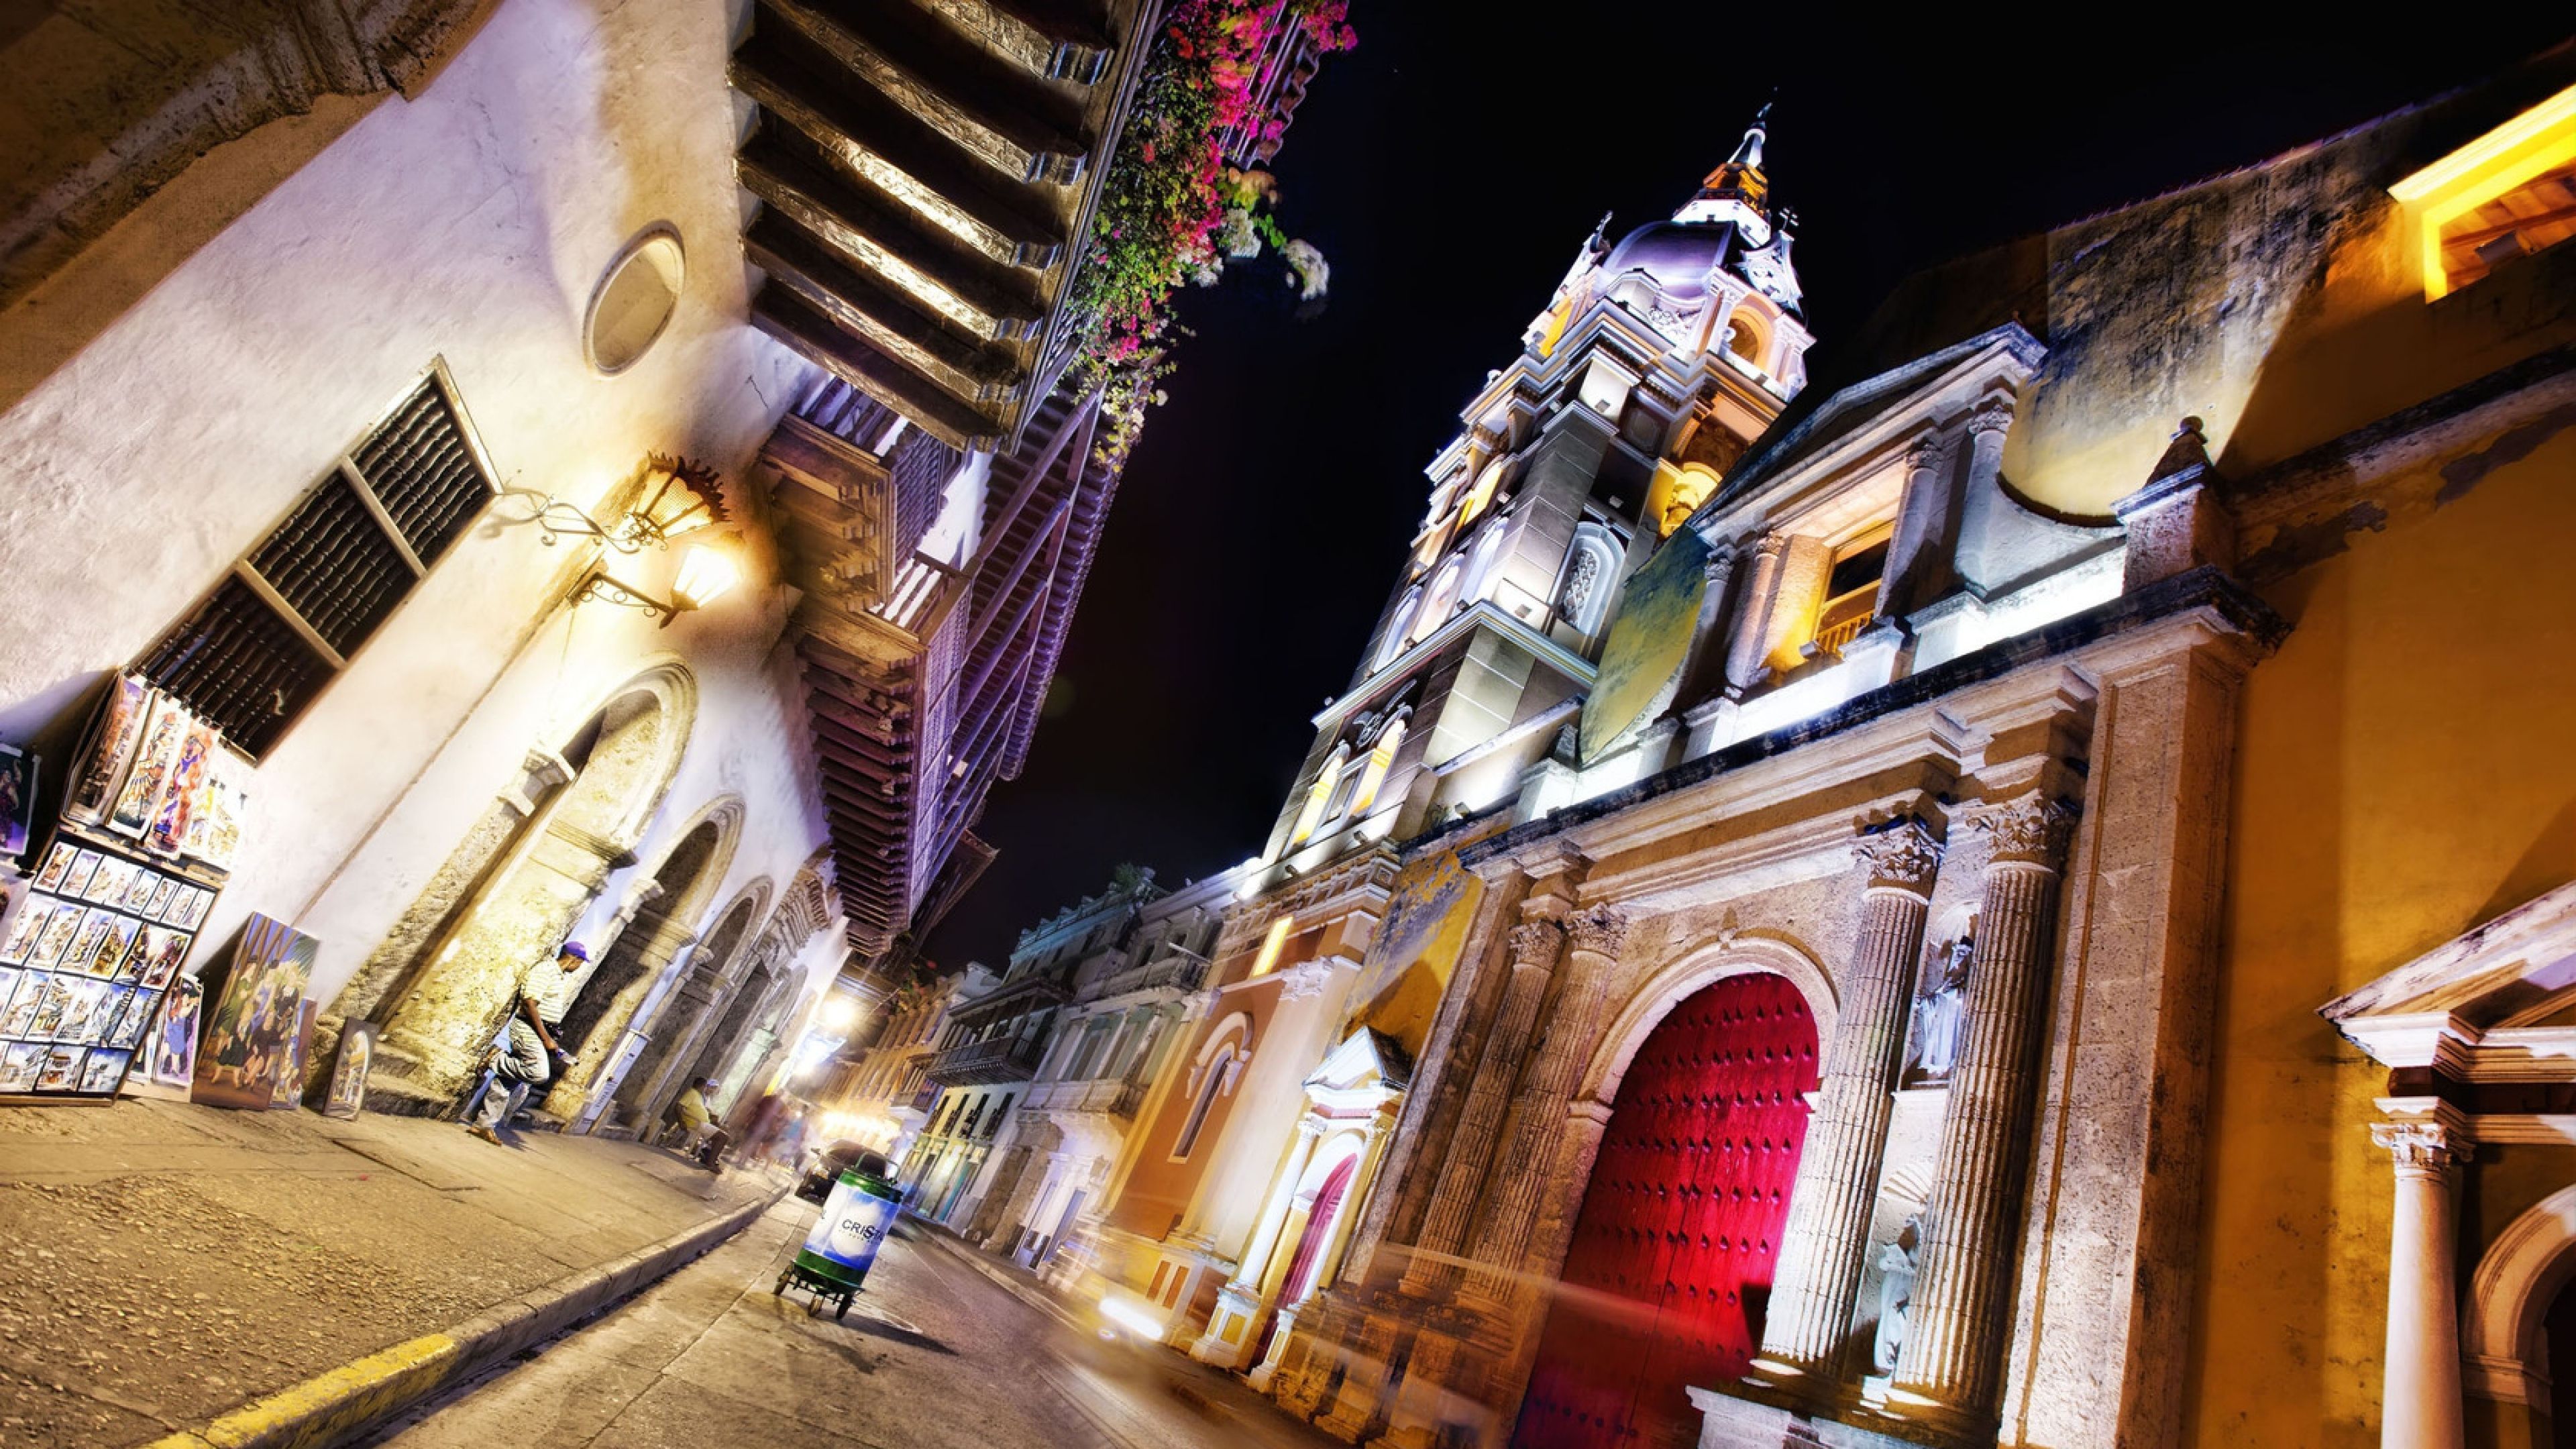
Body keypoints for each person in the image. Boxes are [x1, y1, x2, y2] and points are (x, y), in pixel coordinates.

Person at [466, 941, 586, 1144]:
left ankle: (484, 1125)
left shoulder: (557, 976)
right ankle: (496, 1058)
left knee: (507, 1082)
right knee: (538, 1073)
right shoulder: (546, 970)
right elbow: (529, 1002)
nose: (580, 967)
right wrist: (546, 1039)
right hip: (527, 1029)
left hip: (539, 1032)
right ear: (574, 959)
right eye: (582, 962)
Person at [673, 1077, 726, 1167]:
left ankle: (708, 1156)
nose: (707, 1089)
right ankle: (710, 1162)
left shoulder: (698, 1096)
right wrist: (681, 1122)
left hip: (702, 1123)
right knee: (723, 1137)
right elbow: (678, 1107)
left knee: (721, 1135)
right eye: (707, 1087)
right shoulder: (692, 1093)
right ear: (703, 1086)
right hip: (697, 1123)